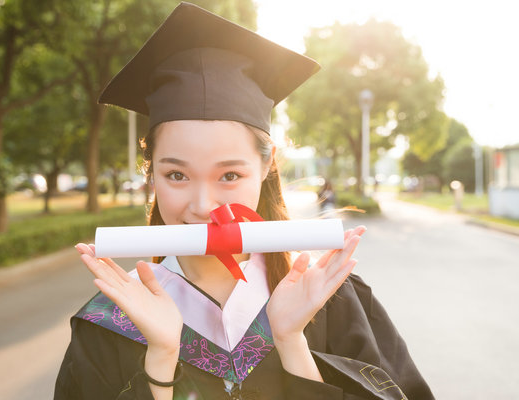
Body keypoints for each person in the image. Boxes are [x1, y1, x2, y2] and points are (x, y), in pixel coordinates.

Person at [54, 3, 434, 399]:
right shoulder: (111, 321)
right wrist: (161, 359)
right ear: (151, 173)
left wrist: (291, 341)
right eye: (176, 175)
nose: (203, 206)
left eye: (230, 176)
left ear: (266, 167)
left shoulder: (328, 300)